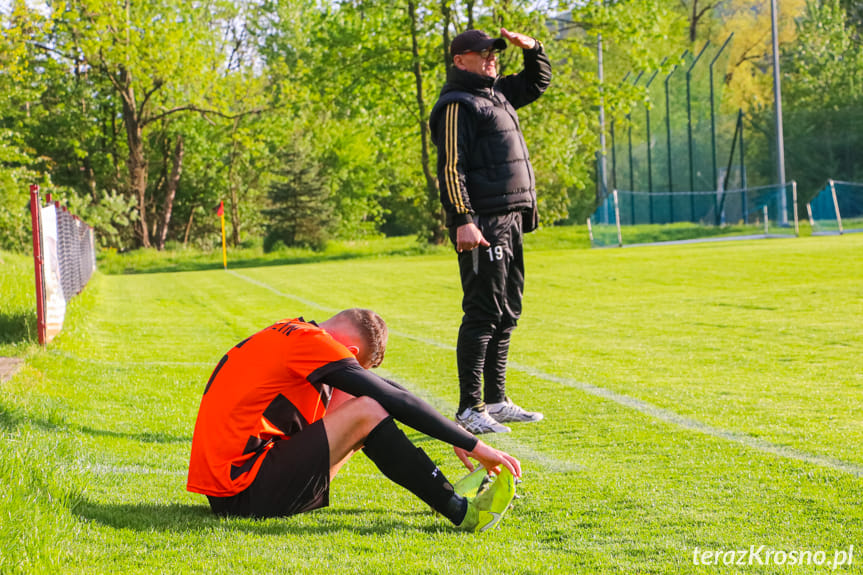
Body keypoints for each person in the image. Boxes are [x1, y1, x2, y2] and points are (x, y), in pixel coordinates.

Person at [187, 309, 521, 532]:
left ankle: (441, 493)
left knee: (362, 401)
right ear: (349, 350)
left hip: (232, 487)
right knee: (367, 411)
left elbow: (385, 389)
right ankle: (460, 512)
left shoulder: (293, 333)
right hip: (244, 492)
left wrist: (454, 434)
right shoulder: (313, 343)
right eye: (356, 367)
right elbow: (392, 399)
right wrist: (475, 445)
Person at [429, 28, 552, 434]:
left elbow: (537, 82)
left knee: (507, 311)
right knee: (483, 311)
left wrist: (533, 49)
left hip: (510, 218)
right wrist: (462, 219)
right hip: (483, 223)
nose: (492, 59)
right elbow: (451, 168)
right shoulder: (456, 104)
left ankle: (496, 402)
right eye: (483, 54)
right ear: (459, 60)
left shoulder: (496, 94)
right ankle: (470, 408)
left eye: (494, 53)